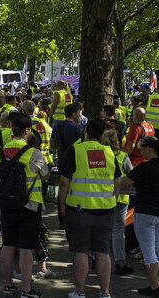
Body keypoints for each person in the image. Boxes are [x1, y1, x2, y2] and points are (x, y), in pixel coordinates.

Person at [58, 119, 120, 298]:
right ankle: (105, 292)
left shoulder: (75, 150)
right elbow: (117, 182)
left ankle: (80, 292)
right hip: (105, 210)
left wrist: (62, 203)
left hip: (79, 211)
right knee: (103, 251)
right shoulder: (109, 152)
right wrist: (112, 200)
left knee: (80, 251)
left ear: (85, 130)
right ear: (102, 135)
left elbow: (63, 182)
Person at [0, 114, 48, 297]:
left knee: (7, 245)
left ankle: (8, 285)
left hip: (6, 204)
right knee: (26, 247)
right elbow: (46, 175)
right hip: (30, 205)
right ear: (27, 131)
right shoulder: (34, 153)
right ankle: (26, 289)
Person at [120, 136, 159, 297]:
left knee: (148, 251)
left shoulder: (145, 167)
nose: (141, 153)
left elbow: (125, 182)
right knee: (158, 247)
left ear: (148, 149)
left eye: (142, 149)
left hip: (145, 211)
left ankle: (155, 287)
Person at [102, 130, 134, 276]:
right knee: (118, 230)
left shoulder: (98, 154)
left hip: (101, 196)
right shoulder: (122, 156)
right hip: (120, 198)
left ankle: (96, 259)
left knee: (101, 228)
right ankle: (120, 262)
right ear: (117, 142)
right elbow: (131, 175)